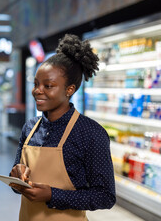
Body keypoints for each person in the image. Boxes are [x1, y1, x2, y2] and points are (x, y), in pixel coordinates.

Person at [9, 34, 116, 221]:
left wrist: (53, 195)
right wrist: (16, 177)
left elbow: (105, 196)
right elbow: (17, 185)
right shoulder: (30, 127)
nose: (37, 91)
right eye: (36, 84)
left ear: (70, 90)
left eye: (48, 86)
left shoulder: (91, 133)